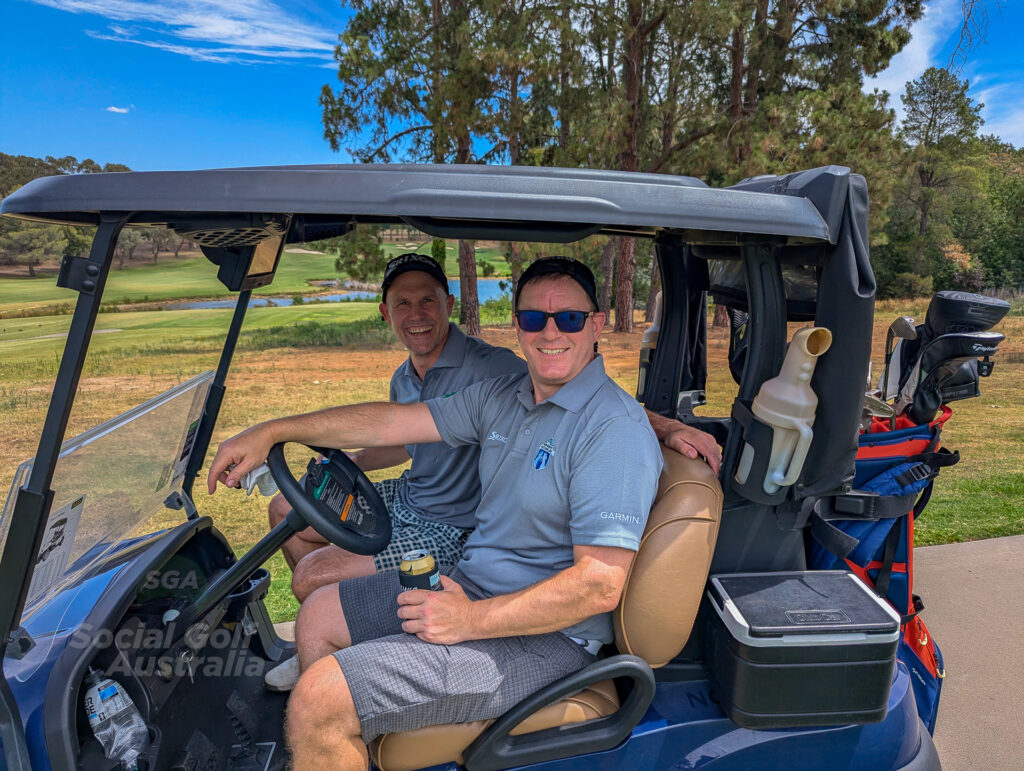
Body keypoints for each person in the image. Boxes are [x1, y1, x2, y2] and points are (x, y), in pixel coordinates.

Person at [208, 258, 665, 770]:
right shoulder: (504, 397)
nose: (550, 332)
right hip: (470, 585)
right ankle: (343, 747)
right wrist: (274, 430)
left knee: (319, 698)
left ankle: (331, 724)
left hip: (546, 637)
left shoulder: (613, 430)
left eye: (570, 319)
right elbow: (392, 424)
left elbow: (598, 586)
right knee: (317, 614)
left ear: (596, 324)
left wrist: (470, 619)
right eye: (534, 318)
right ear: (518, 326)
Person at [263, 252, 526, 689]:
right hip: (408, 497)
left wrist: (650, 422)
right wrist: (352, 463)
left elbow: (564, 398)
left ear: (449, 305)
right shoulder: (404, 376)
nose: (416, 315)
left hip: (450, 527)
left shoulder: (492, 367)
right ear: (386, 313)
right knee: (283, 511)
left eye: (428, 301)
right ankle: (328, 636)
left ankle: (330, 639)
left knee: (311, 576)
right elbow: (404, 444)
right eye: (403, 303)